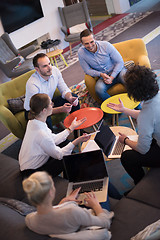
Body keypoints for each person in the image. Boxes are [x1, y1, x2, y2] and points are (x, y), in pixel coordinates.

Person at [107, 65, 160, 185]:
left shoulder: (145, 116)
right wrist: (124, 110)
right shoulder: (156, 99)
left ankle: (140, 183)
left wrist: (125, 140)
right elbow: (147, 116)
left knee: (127, 157)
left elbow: (142, 149)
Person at [19, 93, 90, 179]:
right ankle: (71, 183)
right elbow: (59, 155)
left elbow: (53, 139)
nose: (53, 104)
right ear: (44, 110)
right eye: (50, 103)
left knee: (66, 146)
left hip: (29, 164)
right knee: (68, 158)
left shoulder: (33, 122)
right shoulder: (41, 134)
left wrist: (71, 128)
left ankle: (72, 179)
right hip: (33, 174)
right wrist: (77, 141)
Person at [22, 171, 114, 237]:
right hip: (84, 226)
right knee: (104, 182)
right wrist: (95, 205)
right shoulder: (72, 212)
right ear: (51, 192)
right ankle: (119, 198)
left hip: (70, 223)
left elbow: (52, 215)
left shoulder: (30, 220)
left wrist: (64, 202)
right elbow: (105, 223)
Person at [24, 53, 80, 132]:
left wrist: (70, 98)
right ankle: (54, 140)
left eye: (49, 64)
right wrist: (61, 109)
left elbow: (64, 88)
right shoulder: (33, 84)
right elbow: (41, 110)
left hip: (48, 102)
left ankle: (78, 130)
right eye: (45, 66)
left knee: (74, 97)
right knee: (45, 117)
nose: (49, 68)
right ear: (37, 69)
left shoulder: (55, 71)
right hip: (34, 111)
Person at [78, 29, 127, 101]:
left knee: (127, 79)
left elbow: (119, 62)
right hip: (103, 76)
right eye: (86, 43)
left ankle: (138, 106)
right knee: (99, 89)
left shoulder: (106, 45)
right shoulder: (81, 52)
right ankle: (116, 109)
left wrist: (112, 77)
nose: (90, 45)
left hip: (118, 71)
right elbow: (87, 70)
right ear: (82, 43)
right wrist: (100, 74)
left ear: (95, 39)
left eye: (91, 42)